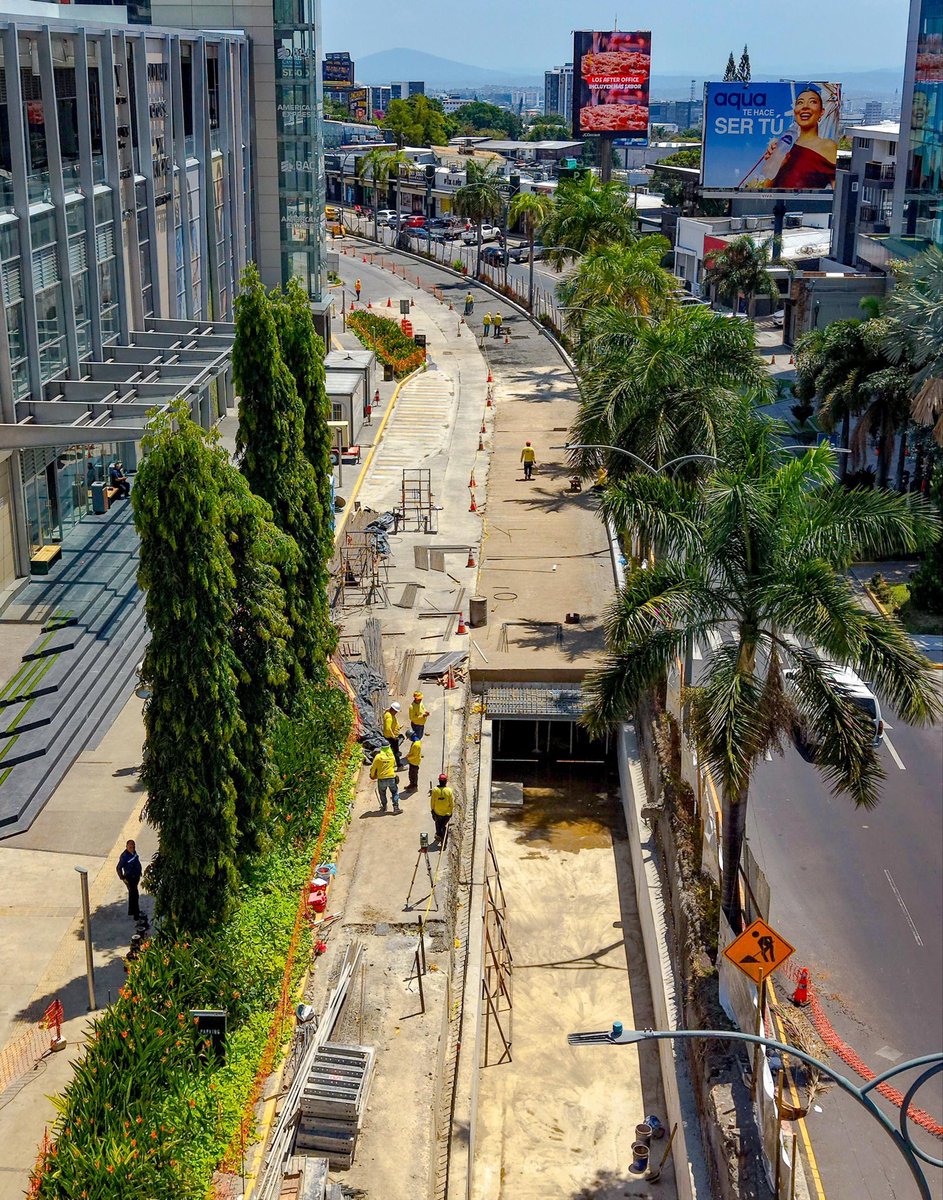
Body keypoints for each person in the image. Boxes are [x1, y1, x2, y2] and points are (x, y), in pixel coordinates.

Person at [764, 86, 839, 190]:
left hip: (806, 205)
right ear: (795, 111)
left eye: (812, 102)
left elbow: (837, 192)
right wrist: (777, 164)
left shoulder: (827, 146)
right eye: (800, 102)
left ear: (821, 112)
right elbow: (766, 190)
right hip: (777, 205)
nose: (805, 106)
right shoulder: (786, 145)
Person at [116, 839, 143, 920]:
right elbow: (118, 868)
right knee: (134, 895)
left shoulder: (134, 852)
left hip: (136, 877)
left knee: (133, 895)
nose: (132, 848)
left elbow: (136, 862)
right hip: (130, 878)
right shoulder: (124, 856)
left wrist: (139, 871)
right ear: (127, 846)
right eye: (130, 847)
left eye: (133, 846)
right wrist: (122, 878)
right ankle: (136, 914)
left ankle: (132, 911)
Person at [369, 743, 400, 813]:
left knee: (382, 793)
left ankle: (384, 807)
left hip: (381, 779)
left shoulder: (378, 757)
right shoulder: (392, 756)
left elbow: (373, 768)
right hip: (391, 778)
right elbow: (393, 766)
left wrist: (372, 775)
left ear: (381, 748)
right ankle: (396, 808)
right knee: (394, 792)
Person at [430, 774, 454, 845]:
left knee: (438, 824)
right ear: (446, 781)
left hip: (437, 813)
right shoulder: (449, 791)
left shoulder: (435, 790)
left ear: (439, 781)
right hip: (447, 813)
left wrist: (432, 810)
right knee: (443, 826)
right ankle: (444, 840)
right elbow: (452, 803)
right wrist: (450, 811)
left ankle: (440, 835)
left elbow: (432, 802)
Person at [383, 701, 403, 766]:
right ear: (393, 709)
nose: (396, 713)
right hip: (391, 737)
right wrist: (393, 736)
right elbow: (388, 728)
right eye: (396, 711)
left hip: (391, 736)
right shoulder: (389, 717)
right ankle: (399, 765)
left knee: (393, 750)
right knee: (396, 751)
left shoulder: (389, 714)